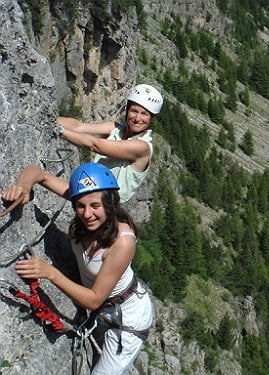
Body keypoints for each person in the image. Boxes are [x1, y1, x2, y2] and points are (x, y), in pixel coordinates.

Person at [2, 162, 153, 374]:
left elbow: (93, 299)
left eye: (95, 206)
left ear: (109, 205)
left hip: (127, 317)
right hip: (106, 309)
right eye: (80, 206)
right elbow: (38, 173)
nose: (87, 214)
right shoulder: (85, 200)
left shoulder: (123, 241)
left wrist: (50, 273)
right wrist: (24, 187)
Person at [56, 84, 163, 203]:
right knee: (41, 177)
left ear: (151, 118)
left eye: (144, 114)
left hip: (109, 206)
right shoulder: (116, 129)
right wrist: (52, 120)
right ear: (127, 110)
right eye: (134, 111)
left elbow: (96, 146)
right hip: (92, 192)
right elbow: (79, 126)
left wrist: (60, 131)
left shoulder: (142, 147)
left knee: (42, 178)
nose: (137, 118)